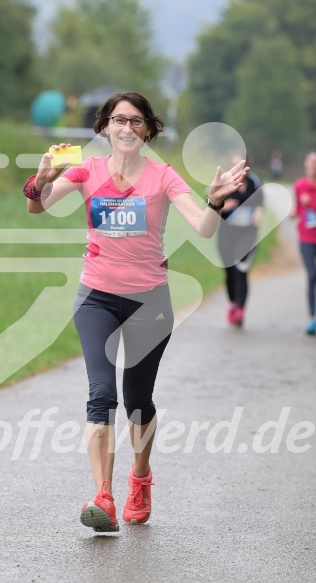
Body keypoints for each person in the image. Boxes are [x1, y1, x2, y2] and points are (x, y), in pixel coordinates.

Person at [23, 91, 249, 532]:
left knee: (137, 401)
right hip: (96, 298)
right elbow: (37, 205)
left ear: (148, 130)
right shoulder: (86, 170)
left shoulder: (163, 177)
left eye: (136, 121)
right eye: (118, 119)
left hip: (150, 301)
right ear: (105, 126)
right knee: (100, 396)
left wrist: (215, 199)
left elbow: (203, 228)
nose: (127, 127)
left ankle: (140, 478)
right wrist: (41, 178)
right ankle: (102, 497)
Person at [217, 156, 264, 328]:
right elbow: (209, 208)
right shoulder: (222, 183)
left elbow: (260, 204)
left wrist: (258, 213)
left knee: (241, 271)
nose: (238, 169)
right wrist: (223, 206)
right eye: (234, 165)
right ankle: (233, 303)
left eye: (242, 165)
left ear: (247, 167)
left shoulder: (254, 183)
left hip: (247, 235)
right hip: (226, 235)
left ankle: (240, 311)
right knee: (229, 272)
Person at [291, 152, 316, 335]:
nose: (313, 165)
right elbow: (297, 209)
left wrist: (311, 204)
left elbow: (309, 206)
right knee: (312, 275)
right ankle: (312, 318)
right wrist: (293, 213)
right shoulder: (299, 185)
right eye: (311, 162)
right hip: (306, 238)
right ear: (306, 165)